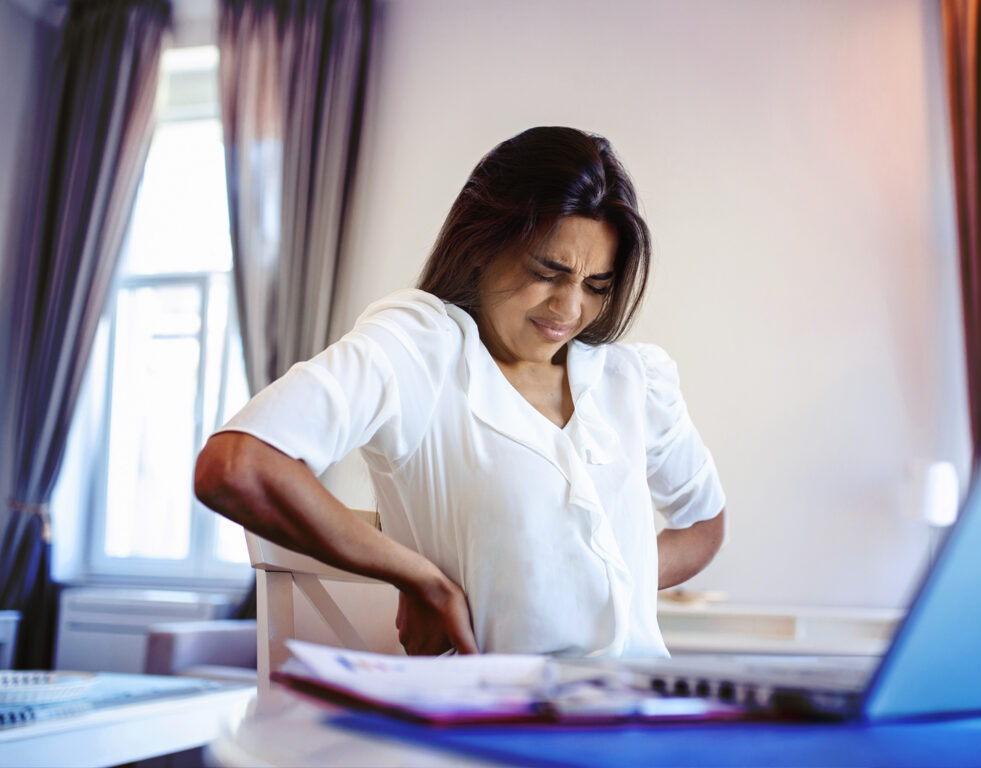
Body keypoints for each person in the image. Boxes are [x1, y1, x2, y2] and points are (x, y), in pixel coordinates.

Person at [194, 126, 725, 658]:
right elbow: (237, 466)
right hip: (495, 719)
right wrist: (419, 577)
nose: (568, 310)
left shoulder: (631, 379)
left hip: (639, 713)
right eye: (547, 272)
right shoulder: (422, 348)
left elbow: (703, 523)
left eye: (595, 286)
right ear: (480, 248)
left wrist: (594, 583)